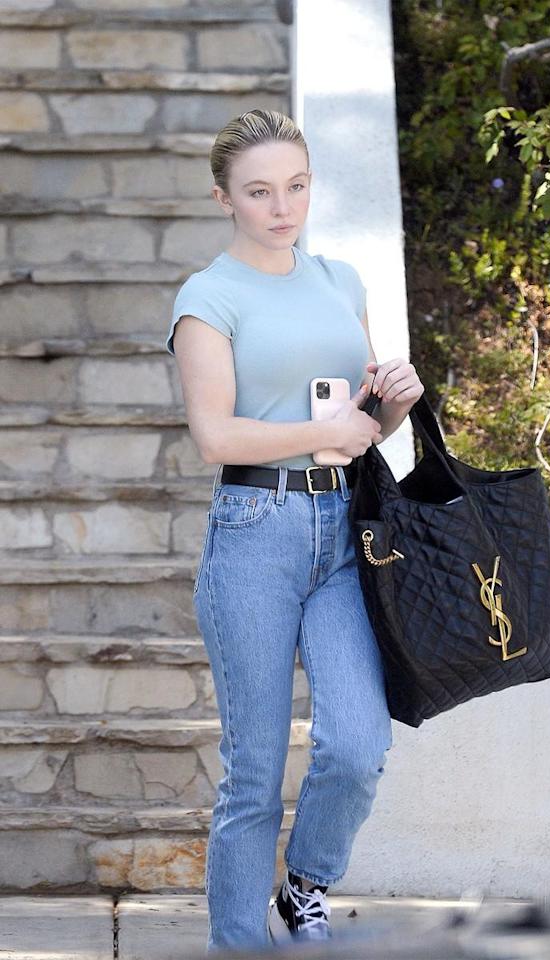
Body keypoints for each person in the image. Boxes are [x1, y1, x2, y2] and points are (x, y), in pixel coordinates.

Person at [165, 108, 424, 953]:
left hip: (343, 531)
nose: (283, 208)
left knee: (356, 744)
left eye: (297, 186)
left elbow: (360, 426)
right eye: (260, 192)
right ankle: (237, 944)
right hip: (255, 532)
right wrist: (325, 432)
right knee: (253, 772)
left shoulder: (341, 282)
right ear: (224, 198)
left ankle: (304, 884)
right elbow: (215, 436)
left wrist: (393, 402)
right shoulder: (208, 298)